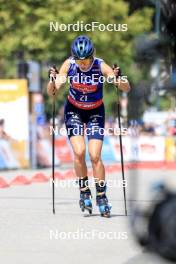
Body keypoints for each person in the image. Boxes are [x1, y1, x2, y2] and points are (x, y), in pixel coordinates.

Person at [47, 35, 130, 217]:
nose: (82, 64)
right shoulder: (69, 65)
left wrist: (119, 78)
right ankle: (84, 190)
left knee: (94, 156)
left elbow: (125, 88)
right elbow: (54, 90)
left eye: (85, 61)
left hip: (95, 113)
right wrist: (52, 80)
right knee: (78, 151)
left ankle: (101, 196)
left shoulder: (100, 65)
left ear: (91, 56)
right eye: (79, 61)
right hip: (74, 111)